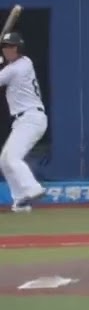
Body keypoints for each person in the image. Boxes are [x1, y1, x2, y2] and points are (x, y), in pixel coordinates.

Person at [0, 32, 46, 213]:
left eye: (10, 46)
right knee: (5, 160)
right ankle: (21, 201)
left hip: (31, 118)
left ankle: (33, 188)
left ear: (18, 48)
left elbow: (5, 74)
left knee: (12, 158)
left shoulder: (18, 67)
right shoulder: (23, 63)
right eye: (4, 46)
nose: (7, 50)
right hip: (23, 120)